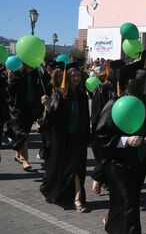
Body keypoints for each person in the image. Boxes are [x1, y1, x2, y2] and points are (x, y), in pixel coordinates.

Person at [95, 60, 146, 233]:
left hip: (139, 163)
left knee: (123, 204)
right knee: (129, 204)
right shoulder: (115, 105)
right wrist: (125, 141)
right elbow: (101, 136)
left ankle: (112, 226)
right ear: (136, 84)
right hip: (118, 164)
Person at [40, 63, 90, 213]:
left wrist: (87, 137)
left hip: (78, 138)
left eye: (78, 75)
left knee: (77, 169)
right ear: (67, 77)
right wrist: (48, 106)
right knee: (59, 168)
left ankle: (78, 198)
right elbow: (54, 118)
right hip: (62, 138)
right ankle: (52, 192)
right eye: (73, 75)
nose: (76, 78)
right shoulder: (60, 94)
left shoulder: (82, 95)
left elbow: (86, 118)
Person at [90, 60, 123, 195]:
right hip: (104, 128)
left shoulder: (121, 88)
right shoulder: (102, 89)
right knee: (105, 155)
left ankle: (102, 180)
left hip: (118, 128)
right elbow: (97, 114)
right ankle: (97, 178)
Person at [6, 63, 46, 171]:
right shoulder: (17, 74)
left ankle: (18, 155)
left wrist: (43, 68)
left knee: (25, 133)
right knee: (22, 133)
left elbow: (43, 86)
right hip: (19, 109)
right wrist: (10, 81)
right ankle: (25, 159)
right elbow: (10, 92)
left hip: (32, 109)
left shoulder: (36, 73)